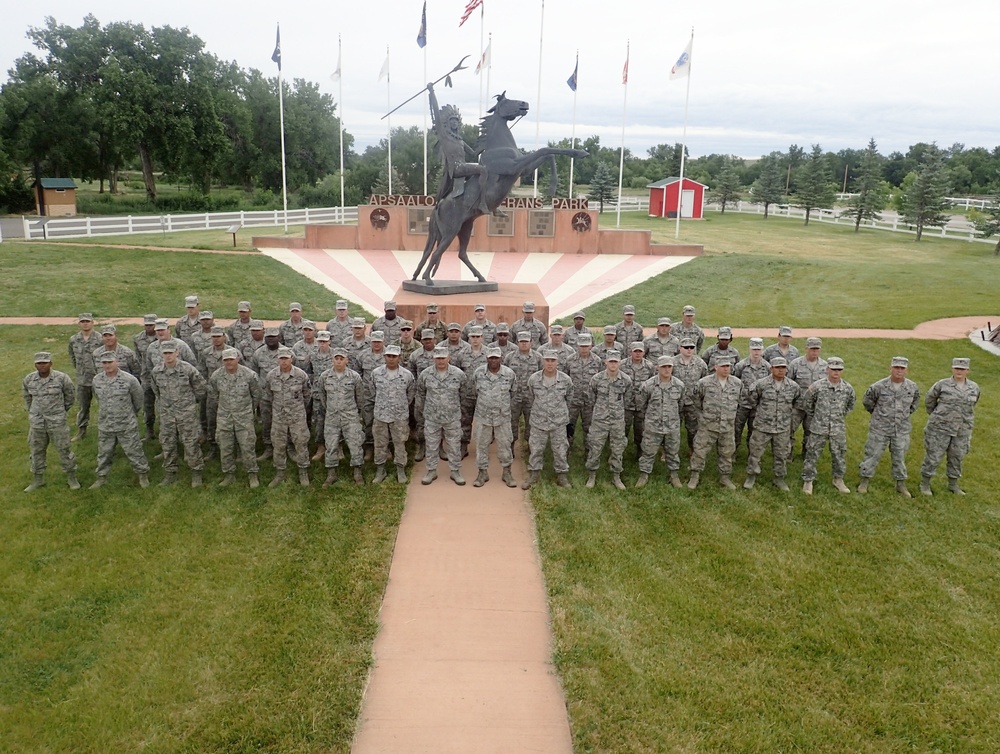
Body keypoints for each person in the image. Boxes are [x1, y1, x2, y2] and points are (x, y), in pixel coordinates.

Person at [858, 356, 920, 496]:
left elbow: (914, 404)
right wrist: (879, 416)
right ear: (890, 368)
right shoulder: (878, 386)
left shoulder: (912, 387)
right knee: (872, 455)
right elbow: (868, 402)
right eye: (896, 368)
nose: (899, 371)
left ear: (906, 370)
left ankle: (900, 484)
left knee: (900, 457)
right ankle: (864, 481)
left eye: (902, 368)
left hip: (901, 429)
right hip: (880, 428)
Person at [427, 80, 492, 215]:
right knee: (483, 171)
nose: (455, 123)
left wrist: (487, 143)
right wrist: (432, 93)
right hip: (456, 169)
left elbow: (474, 154)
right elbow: (436, 114)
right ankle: (482, 203)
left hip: (463, 166)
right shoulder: (444, 136)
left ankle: (480, 200)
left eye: (456, 120)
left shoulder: (460, 140)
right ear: (448, 123)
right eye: (452, 121)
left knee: (484, 170)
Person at [919, 357, 980, 496]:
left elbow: (973, 404)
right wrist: (938, 416)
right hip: (940, 428)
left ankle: (953, 484)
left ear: (967, 371)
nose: (959, 371)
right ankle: (925, 483)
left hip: (962, 430)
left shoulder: (974, 387)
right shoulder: (942, 385)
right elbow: (930, 400)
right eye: (957, 368)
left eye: (962, 369)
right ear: (952, 369)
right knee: (933, 456)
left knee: (957, 457)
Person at [151, 340, 208, 487]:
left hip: (186, 414)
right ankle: (170, 472)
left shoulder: (188, 369)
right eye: (165, 353)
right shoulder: (157, 371)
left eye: (171, 352)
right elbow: (156, 391)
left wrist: (189, 404)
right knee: (168, 443)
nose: (168, 356)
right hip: (167, 415)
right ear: (162, 354)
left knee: (191, 443)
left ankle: (196, 472)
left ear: (177, 352)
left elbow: (201, 389)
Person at [90, 352, 150, 488]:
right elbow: (98, 397)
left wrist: (129, 413)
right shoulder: (97, 380)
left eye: (110, 362)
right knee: (104, 452)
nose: (107, 365)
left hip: (126, 423)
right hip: (106, 423)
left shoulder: (129, 380)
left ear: (116, 362)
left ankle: (142, 475)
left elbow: (138, 400)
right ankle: (101, 477)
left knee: (134, 450)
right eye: (104, 363)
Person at [22, 351, 78, 491]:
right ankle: (37, 479)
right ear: (35, 365)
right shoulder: (29, 380)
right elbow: (28, 398)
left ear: (51, 363)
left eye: (45, 363)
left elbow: (70, 397)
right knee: (36, 451)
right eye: (39, 363)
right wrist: (34, 414)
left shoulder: (62, 378)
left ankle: (72, 478)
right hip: (37, 423)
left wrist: (59, 411)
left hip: (57, 422)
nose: (42, 366)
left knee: (64, 450)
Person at [743, 356, 800, 491]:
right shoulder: (761, 384)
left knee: (781, 454)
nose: (781, 370)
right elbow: (752, 399)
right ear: (771, 369)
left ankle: (779, 478)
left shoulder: (793, 386)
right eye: (778, 367)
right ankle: (751, 476)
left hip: (782, 427)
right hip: (763, 426)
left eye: (783, 368)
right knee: (755, 453)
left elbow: (795, 402)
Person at [801, 356, 856, 494]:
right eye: (833, 369)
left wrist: (838, 416)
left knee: (839, 455)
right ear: (827, 369)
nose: (836, 372)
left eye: (839, 370)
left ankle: (838, 479)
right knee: (812, 454)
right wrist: (817, 416)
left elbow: (850, 405)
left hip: (837, 429)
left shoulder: (847, 388)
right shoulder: (817, 386)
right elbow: (807, 403)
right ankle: (808, 481)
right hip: (819, 427)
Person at [209, 347, 262, 488]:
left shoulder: (249, 375)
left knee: (247, 447)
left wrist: (247, 410)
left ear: (237, 359)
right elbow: (214, 396)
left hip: (244, 417)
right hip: (224, 418)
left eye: (231, 359)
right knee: (225, 447)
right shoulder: (216, 376)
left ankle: (252, 474)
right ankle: (229, 474)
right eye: (225, 360)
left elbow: (257, 395)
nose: (229, 362)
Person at [688, 356, 743, 490]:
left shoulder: (737, 383)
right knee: (700, 451)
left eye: (728, 366)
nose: (726, 369)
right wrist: (702, 416)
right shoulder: (704, 383)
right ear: (715, 367)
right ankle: (694, 476)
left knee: (727, 452)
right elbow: (695, 400)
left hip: (727, 426)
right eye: (723, 366)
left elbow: (740, 400)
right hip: (708, 425)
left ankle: (725, 477)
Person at [416, 347, 467, 485]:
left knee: (454, 445)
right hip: (432, 417)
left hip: (452, 417)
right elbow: (420, 394)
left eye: (443, 358)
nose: (440, 361)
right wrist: (422, 413)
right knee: (431, 445)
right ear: (434, 359)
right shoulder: (425, 374)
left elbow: (464, 395)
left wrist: (459, 413)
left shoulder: (459, 374)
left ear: (449, 358)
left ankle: (455, 471)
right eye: (438, 358)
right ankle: (431, 471)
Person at [523, 351, 574, 489]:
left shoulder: (565, 380)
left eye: (553, 360)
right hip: (538, 422)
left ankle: (562, 476)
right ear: (543, 362)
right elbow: (530, 397)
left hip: (558, 422)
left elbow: (569, 398)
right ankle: (534, 474)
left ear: (557, 362)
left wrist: (559, 413)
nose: (550, 363)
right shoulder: (534, 379)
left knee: (560, 450)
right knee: (536, 449)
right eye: (547, 360)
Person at [263, 348, 312, 487]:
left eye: (286, 358)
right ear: (277, 359)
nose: (284, 361)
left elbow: (307, 395)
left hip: (297, 417)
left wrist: (298, 409)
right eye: (281, 358)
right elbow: (268, 396)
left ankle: (303, 472)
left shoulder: (301, 375)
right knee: (278, 445)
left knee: (301, 444)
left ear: (292, 359)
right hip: (279, 417)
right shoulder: (271, 376)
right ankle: (280, 473)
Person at [470, 346, 517, 487]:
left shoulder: (509, 374)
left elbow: (513, 393)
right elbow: (474, 392)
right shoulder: (478, 373)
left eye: (496, 357)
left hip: (502, 418)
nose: (494, 360)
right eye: (491, 358)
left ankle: (507, 472)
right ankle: (482, 473)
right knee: (481, 445)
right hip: (483, 417)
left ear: (501, 358)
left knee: (505, 446)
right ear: (487, 358)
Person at [585, 351, 632, 490]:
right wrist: (600, 411)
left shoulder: (626, 380)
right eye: (610, 361)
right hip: (600, 420)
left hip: (617, 420)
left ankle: (616, 476)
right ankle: (592, 475)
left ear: (619, 363)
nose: (613, 364)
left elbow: (627, 399)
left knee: (618, 448)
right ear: (606, 362)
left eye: (615, 362)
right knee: (595, 447)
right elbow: (591, 397)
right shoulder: (597, 379)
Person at [635, 356, 685, 488]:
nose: (667, 369)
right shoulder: (648, 385)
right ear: (658, 367)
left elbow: (681, 405)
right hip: (653, 426)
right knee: (648, 451)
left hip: (672, 426)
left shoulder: (679, 386)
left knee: (673, 452)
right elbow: (641, 405)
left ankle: (674, 475)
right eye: (664, 367)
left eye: (669, 366)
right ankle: (644, 475)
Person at [319, 348, 367, 486]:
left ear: (347, 360)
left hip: (350, 416)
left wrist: (354, 412)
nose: (339, 361)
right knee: (331, 444)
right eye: (336, 358)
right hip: (332, 417)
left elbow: (360, 398)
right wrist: (331, 409)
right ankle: (331, 474)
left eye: (342, 359)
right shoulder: (325, 377)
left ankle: (357, 473)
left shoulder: (354, 377)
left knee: (355, 443)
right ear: (332, 360)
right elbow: (323, 396)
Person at [368, 345, 415, 485]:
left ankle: (400, 469)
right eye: (388, 356)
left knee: (400, 443)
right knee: (380, 444)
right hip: (381, 415)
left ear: (399, 357)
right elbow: (372, 392)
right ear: (384, 357)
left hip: (399, 416)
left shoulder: (407, 375)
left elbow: (410, 395)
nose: (391, 359)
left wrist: (400, 406)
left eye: (394, 356)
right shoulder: (376, 373)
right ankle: (380, 470)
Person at [788, 337, 828, 457]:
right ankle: (787, 454)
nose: (814, 352)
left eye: (817, 349)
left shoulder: (825, 366)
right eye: (812, 349)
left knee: (810, 432)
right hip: (797, 405)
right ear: (806, 349)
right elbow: (788, 384)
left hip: (814, 407)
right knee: (789, 430)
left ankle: (806, 453)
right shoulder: (796, 364)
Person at [504, 332, 543, 455]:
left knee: (532, 423)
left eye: (526, 341)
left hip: (531, 397)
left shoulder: (538, 357)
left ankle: (531, 447)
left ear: (531, 342)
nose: (524, 343)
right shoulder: (510, 357)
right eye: (522, 341)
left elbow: (542, 375)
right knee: (511, 423)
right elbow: (504, 375)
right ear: (517, 343)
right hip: (514, 397)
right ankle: (510, 447)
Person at [565, 333, 604, 449]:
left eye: (586, 346)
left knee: (589, 427)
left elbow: (600, 380)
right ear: (577, 346)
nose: (584, 349)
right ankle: (567, 450)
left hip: (590, 402)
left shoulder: (597, 361)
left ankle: (588, 452)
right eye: (582, 346)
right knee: (569, 426)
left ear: (591, 346)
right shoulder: (570, 360)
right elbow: (565, 379)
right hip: (573, 401)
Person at [733, 338, 772, 449]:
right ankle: (733, 451)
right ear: (750, 349)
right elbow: (735, 383)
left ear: (762, 350)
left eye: (758, 349)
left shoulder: (768, 367)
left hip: (758, 406)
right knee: (737, 428)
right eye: (754, 349)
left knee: (754, 431)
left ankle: (752, 454)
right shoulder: (741, 365)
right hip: (742, 404)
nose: (756, 352)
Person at [672, 337, 708, 453]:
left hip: (693, 402)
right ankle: (668, 451)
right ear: (680, 348)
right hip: (676, 401)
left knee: (693, 429)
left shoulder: (700, 363)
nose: (689, 350)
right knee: (672, 428)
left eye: (691, 347)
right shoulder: (672, 362)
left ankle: (692, 450)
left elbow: (704, 381)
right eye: (686, 347)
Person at [67, 312, 100, 441]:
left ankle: (107, 430)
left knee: (105, 405)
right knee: (83, 406)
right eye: (82, 321)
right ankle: (81, 430)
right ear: (79, 323)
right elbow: (73, 357)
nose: (85, 323)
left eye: (87, 321)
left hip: (98, 378)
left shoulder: (100, 338)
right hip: (82, 379)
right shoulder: (74, 339)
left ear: (92, 322)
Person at [621, 342, 655, 459]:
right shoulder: (622, 365)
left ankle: (640, 452)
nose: (637, 354)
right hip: (626, 403)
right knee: (622, 429)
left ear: (644, 353)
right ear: (630, 352)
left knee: (640, 430)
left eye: (640, 351)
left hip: (642, 405)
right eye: (635, 351)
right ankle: (618, 453)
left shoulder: (650, 367)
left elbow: (653, 384)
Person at [133, 313, 159, 440]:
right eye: (147, 325)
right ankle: (149, 430)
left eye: (151, 325)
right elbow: (138, 358)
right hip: (146, 378)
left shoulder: (162, 337)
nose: (149, 327)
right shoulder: (138, 339)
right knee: (147, 406)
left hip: (161, 378)